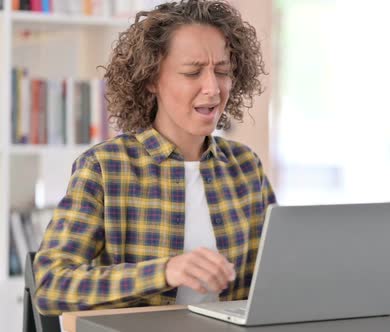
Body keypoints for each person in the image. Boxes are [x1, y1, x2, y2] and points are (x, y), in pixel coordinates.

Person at [33, 0, 276, 315]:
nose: (213, 88)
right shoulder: (105, 167)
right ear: (151, 79)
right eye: (192, 72)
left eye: (222, 71)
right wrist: (164, 271)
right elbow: (52, 285)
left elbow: (279, 273)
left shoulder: (245, 167)